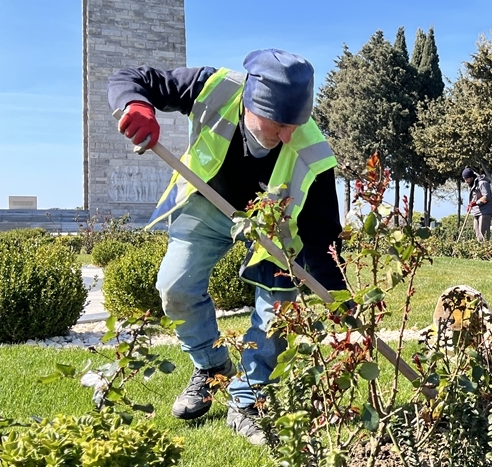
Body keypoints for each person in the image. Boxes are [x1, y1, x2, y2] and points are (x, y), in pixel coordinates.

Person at [108, 49, 347, 444]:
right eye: (279, 124)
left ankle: (248, 400)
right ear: (251, 103)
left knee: (276, 315)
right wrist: (135, 104)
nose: (288, 135)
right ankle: (212, 367)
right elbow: (133, 77)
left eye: (296, 124)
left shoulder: (314, 153)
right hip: (209, 204)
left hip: (274, 231)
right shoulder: (214, 88)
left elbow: (321, 238)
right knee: (175, 287)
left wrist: (338, 297)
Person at [462, 167, 492, 242]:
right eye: (464, 179)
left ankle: (485, 251)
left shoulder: (482, 183)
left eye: (466, 179)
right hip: (476, 212)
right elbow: (473, 197)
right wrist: (471, 205)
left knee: (483, 234)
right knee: (477, 234)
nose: (465, 181)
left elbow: (486, 197)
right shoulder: (471, 184)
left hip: (485, 212)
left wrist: (476, 203)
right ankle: (479, 250)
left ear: (471, 177)